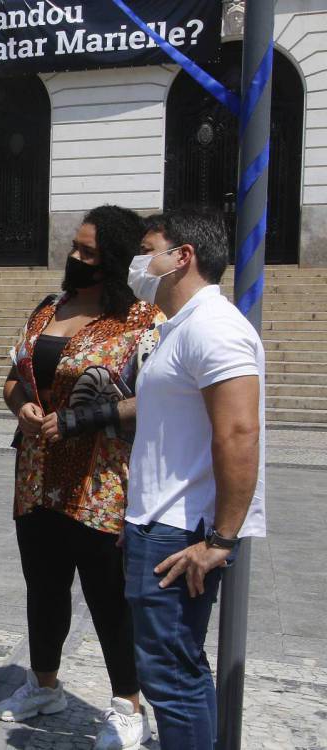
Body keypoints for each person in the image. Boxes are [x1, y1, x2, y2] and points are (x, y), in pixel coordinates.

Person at [0, 206, 160, 749]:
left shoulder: (141, 320)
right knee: (44, 587)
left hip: (101, 482)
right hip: (37, 476)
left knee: (109, 596)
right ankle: (44, 685)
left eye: (88, 252)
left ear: (112, 259)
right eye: (74, 246)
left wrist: (81, 419)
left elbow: (156, 398)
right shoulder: (49, 306)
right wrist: (21, 407)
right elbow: (12, 378)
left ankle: (128, 704)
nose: (74, 257)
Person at [124, 211, 265, 749]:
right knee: (170, 670)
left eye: (148, 249)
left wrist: (221, 540)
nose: (140, 261)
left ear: (182, 256)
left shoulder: (213, 326)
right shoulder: (179, 327)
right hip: (156, 523)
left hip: (182, 532)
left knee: (172, 679)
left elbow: (238, 433)